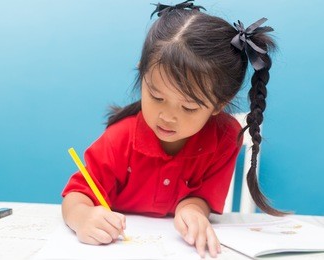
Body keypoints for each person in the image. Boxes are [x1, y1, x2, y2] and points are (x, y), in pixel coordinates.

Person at [61, 1, 286, 258]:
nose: (167, 117)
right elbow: (76, 196)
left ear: (218, 104)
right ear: (142, 74)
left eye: (189, 108)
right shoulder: (120, 138)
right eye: (156, 97)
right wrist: (83, 217)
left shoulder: (225, 137)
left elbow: (203, 196)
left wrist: (191, 210)